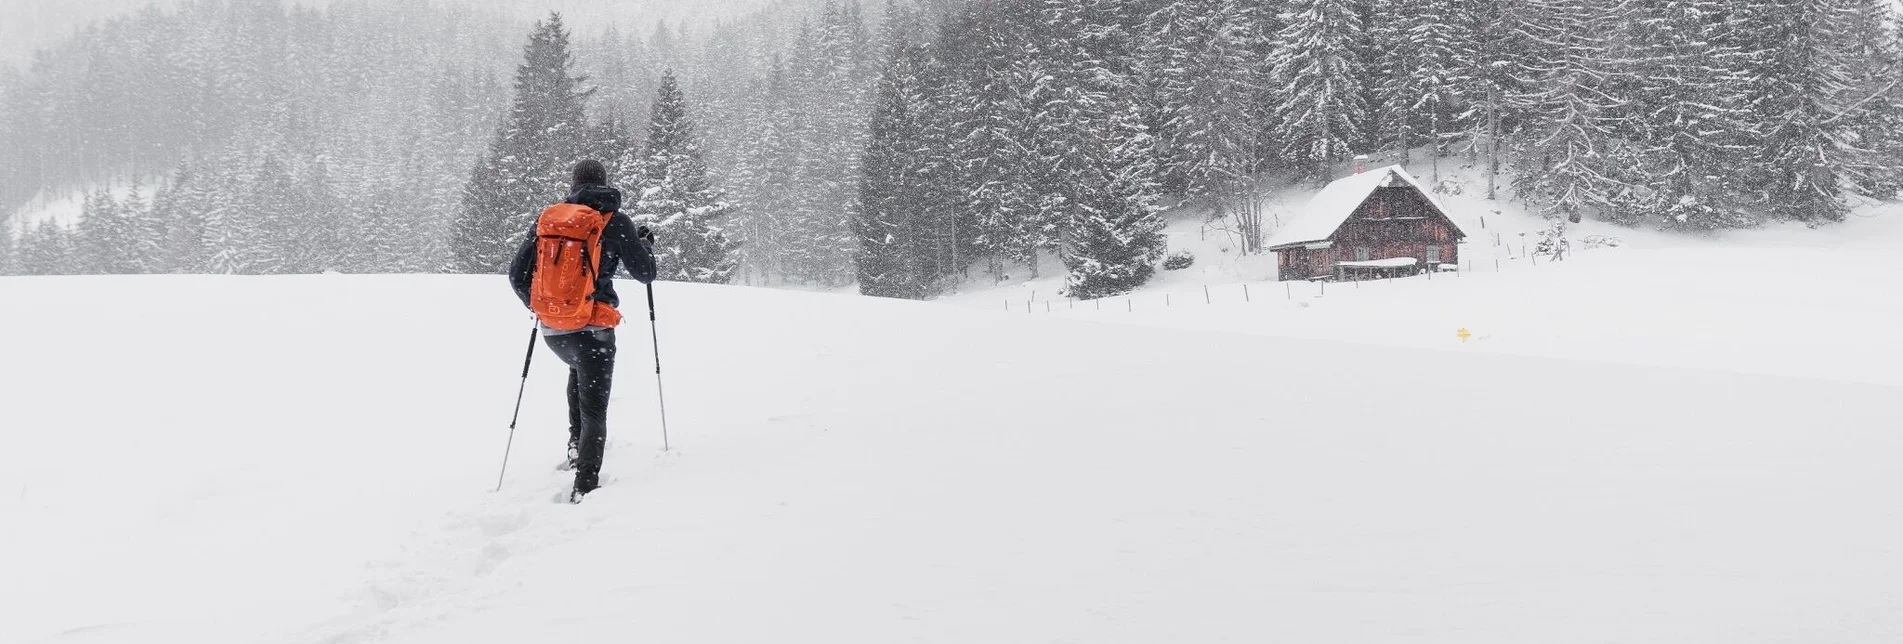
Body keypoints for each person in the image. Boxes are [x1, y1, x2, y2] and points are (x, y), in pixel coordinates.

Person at [508, 159, 657, 502]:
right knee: (594, 406)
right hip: (595, 331)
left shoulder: (550, 221)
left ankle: (576, 448)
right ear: (604, 183)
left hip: (553, 332)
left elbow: (517, 275)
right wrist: (645, 244)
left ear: (573, 184)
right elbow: (646, 273)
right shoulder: (616, 222)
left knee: (577, 373)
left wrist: (543, 307)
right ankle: (585, 485)